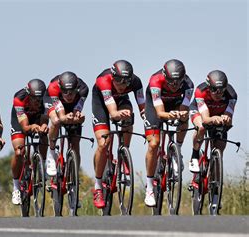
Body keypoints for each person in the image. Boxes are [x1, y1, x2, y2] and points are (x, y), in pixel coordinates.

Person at [91, 60, 145, 208]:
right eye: (119, 82)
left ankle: (124, 153)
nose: (122, 86)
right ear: (113, 77)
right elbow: (113, 112)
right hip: (102, 103)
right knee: (104, 143)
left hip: (121, 101)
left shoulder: (136, 82)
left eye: (126, 83)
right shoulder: (103, 80)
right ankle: (97, 187)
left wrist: (148, 120)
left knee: (129, 116)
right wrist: (116, 114)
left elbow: (143, 108)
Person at [143, 59, 194, 207]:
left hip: (175, 104)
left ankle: (177, 149)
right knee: (154, 144)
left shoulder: (188, 84)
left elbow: (184, 111)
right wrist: (169, 115)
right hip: (155, 107)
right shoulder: (155, 80)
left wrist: (180, 115)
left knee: (185, 118)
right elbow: (160, 113)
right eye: (171, 82)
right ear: (165, 76)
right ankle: (150, 188)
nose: (175, 85)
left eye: (178, 82)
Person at [188, 70, 237, 172]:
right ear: (209, 87)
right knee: (201, 127)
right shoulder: (200, 91)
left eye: (221, 90)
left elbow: (229, 120)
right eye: (214, 89)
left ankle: (214, 180)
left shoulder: (232, 95)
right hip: (199, 111)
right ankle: (194, 156)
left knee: (219, 150)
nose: (218, 93)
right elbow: (205, 119)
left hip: (218, 114)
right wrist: (213, 119)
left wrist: (226, 119)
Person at [10, 79, 49, 205]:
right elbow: (25, 127)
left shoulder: (46, 99)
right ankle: (16, 187)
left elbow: (44, 118)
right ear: (28, 94)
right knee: (19, 151)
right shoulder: (19, 98)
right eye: (34, 98)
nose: (37, 101)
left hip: (36, 117)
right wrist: (32, 127)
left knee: (44, 135)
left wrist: (43, 126)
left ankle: (41, 165)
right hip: (20, 121)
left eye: (39, 99)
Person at [45, 71, 88, 176]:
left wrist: (78, 117)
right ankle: (51, 153)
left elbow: (77, 110)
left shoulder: (83, 89)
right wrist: (65, 118)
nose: (69, 95)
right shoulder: (53, 87)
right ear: (60, 88)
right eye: (65, 91)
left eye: (72, 92)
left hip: (72, 106)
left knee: (75, 144)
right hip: (53, 102)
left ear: (77, 88)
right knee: (56, 121)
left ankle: (74, 177)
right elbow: (62, 116)